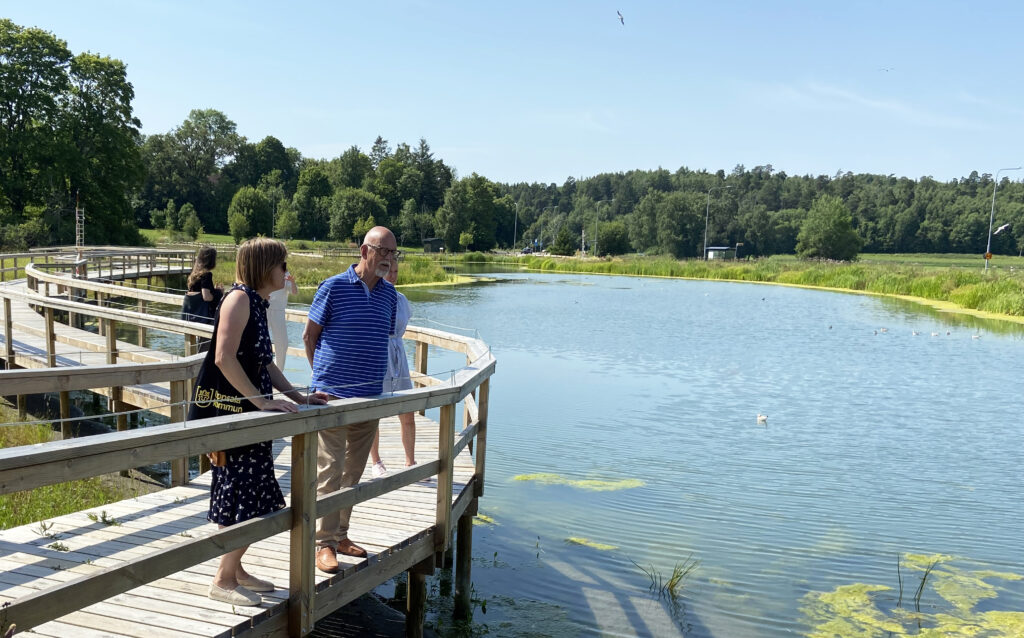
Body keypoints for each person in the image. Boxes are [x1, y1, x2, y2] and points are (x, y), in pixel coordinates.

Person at [189, 237, 328, 606]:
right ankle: (222, 579)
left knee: (249, 494)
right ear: (266, 267)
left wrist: (297, 396)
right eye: (282, 264)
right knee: (246, 495)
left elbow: (265, 362)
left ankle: (235, 570)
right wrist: (261, 402)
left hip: (250, 416)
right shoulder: (238, 299)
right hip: (234, 417)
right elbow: (222, 357)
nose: (286, 271)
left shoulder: (256, 301)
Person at [303, 226, 399, 572]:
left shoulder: (389, 296)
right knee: (330, 471)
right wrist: (320, 381)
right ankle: (323, 545)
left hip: (369, 398)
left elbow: (380, 340)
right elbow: (309, 336)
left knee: (353, 472)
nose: (389, 258)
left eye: (394, 253)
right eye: (384, 251)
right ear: (364, 251)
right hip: (333, 398)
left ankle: (340, 534)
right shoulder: (333, 286)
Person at [369, 259, 416, 476]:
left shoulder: (401, 299)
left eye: (396, 271)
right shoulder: (372, 297)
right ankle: (375, 461)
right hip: (378, 353)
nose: (393, 275)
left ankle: (410, 461)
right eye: (389, 271)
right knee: (374, 411)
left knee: (408, 410)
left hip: (398, 354)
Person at [182, 247, 223, 352]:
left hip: (194, 315)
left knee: (200, 344)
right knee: (206, 346)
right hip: (206, 316)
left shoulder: (194, 275)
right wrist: (219, 292)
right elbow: (206, 296)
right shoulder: (206, 275)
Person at [268, 269, 298, 370]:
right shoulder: (266, 268)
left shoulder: (285, 273)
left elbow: (294, 292)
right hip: (265, 309)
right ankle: (262, 369)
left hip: (279, 311)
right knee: (261, 340)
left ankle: (279, 371)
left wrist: (292, 282)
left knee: (282, 343)